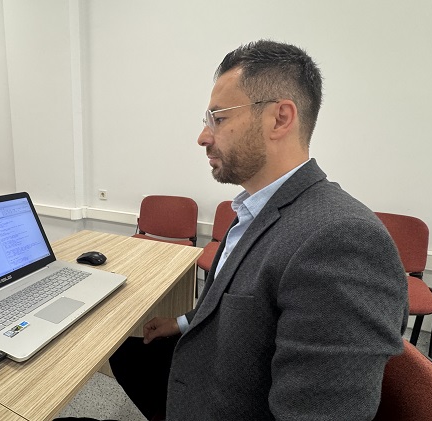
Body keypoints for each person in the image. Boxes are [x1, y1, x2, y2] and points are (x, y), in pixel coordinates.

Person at [107, 40, 409, 420]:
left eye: (218, 119)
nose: (203, 136)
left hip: (224, 401)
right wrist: (181, 322)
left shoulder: (342, 241)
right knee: (122, 352)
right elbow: (240, 306)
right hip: (212, 366)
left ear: (280, 119)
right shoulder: (257, 208)